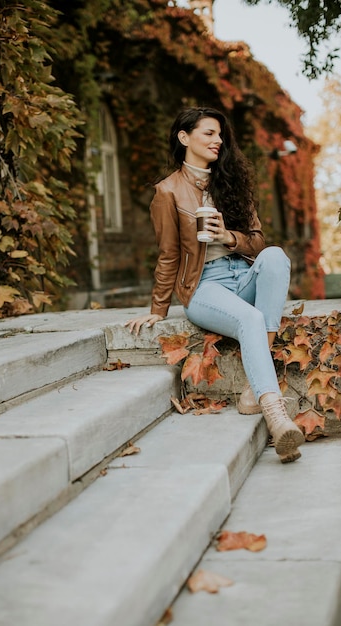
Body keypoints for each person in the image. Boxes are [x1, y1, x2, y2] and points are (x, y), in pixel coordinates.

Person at [126, 106, 304, 464]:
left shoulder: (232, 183)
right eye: (208, 133)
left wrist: (229, 236)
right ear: (184, 137)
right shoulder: (168, 192)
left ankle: (255, 392)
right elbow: (168, 255)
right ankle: (277, 417)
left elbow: (257, 241)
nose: (217, 140)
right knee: (251, 320)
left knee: (275, 256)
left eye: (220, 135)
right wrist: (157, 309)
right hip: (204, 286)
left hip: (243, 274)